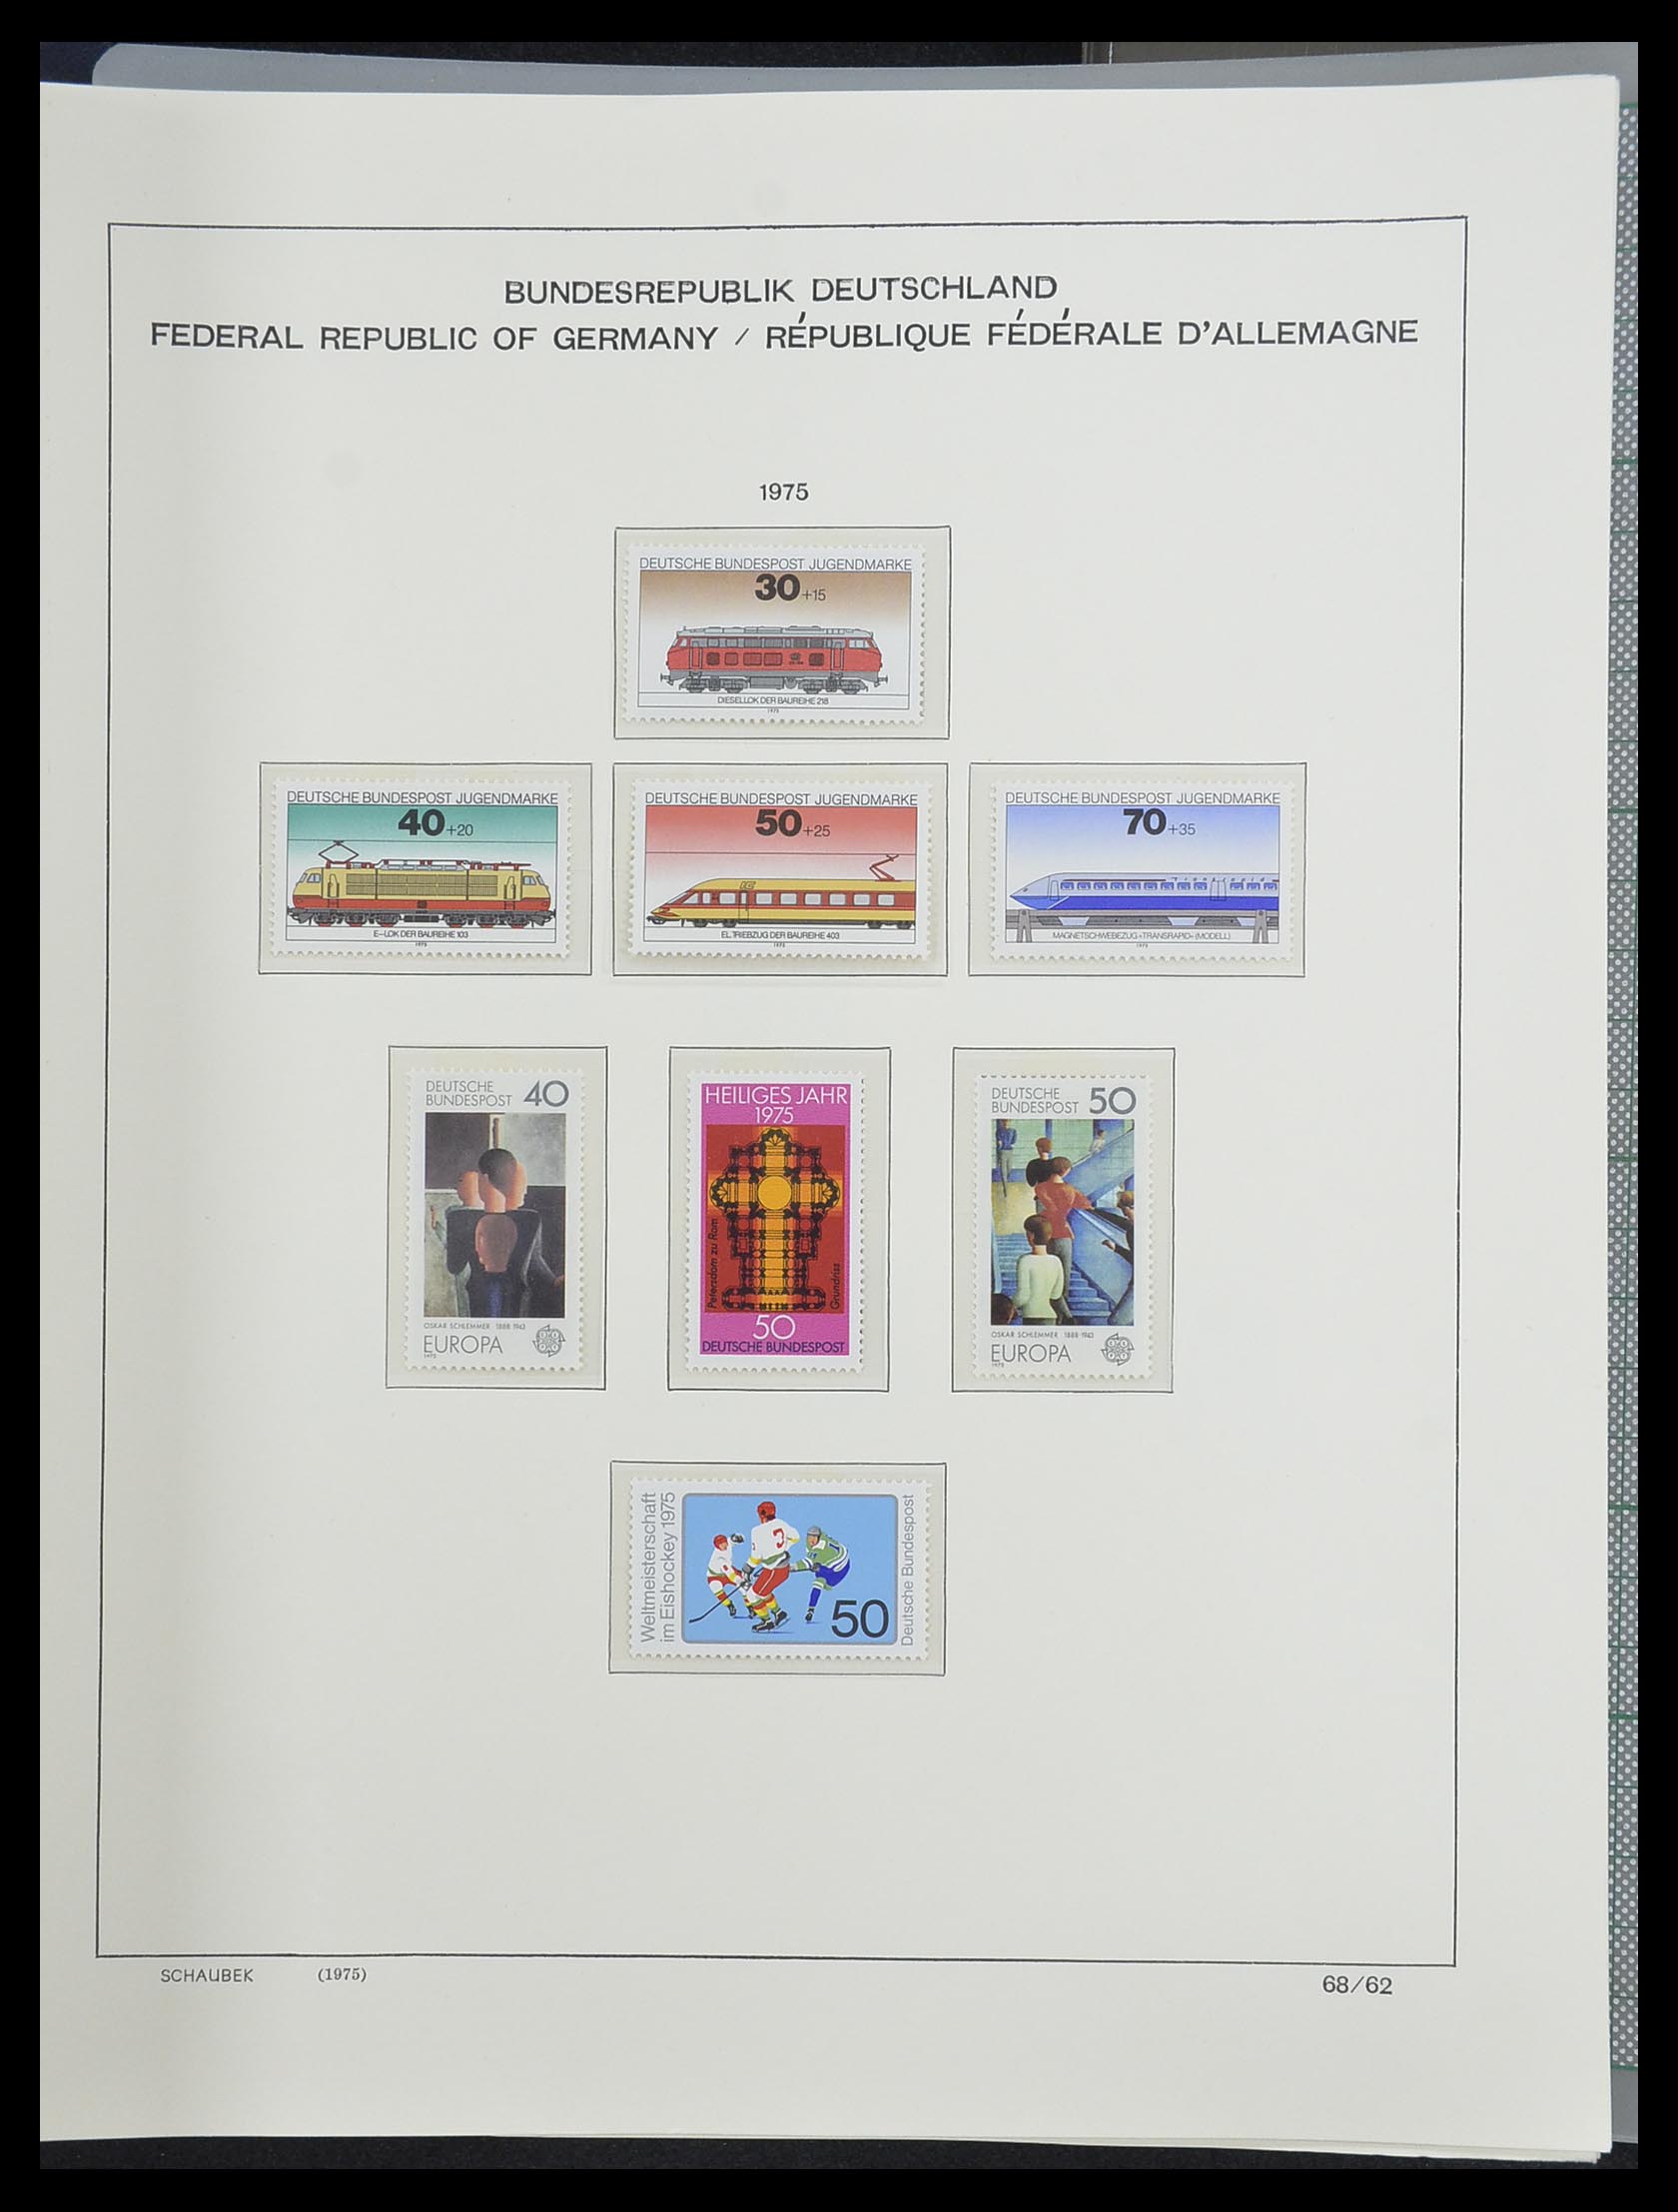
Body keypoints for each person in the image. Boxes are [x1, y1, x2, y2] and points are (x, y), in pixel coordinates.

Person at [1033, 1157, 1092, 1311]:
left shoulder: (1041, 1188)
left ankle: (1049, 1309)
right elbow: (1086, 1205)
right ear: (1065, 1171)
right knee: (1064, 1277)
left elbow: (1050, 1209)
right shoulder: (1070, 1190)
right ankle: (1062, 1314)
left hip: (1046, 1235)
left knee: (1047, 1274)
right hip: (1065, 1235)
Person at [744, 1499, 800, 1633]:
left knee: (752, 1595)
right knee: (764, 1592)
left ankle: (767, 1622)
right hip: (782, 1568)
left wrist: (747, 1569)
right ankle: (779, 1613)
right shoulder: (780, 1523)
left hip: (774, 1570)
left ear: (761, 1514)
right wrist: (783, 1549)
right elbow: (796, 1537)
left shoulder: (757, 1531)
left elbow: (756, 1557)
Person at [1013, 1215, 1068, 1325]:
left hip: (1031, 1316)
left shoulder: (1025, 1260)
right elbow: (1056, 1295)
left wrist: (1010, 1306)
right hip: (1050, 1316)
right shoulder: (1056, 1261)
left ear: (1031, 1236)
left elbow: (1023, 1296)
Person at [790, 1524, 850, 1623]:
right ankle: (811, 1610)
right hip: (829, 1562)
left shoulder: (822, 1549)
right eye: (810, 1537)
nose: (811, 1540)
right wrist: (792, 1567)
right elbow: (809, 1560)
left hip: (838, 1569)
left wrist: (792, 1567)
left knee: (820, 1579)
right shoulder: (813, 1543)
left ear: (818, 1537)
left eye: (814, 1537)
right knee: (818, 1582)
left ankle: (811, 1609)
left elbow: (810, 1562)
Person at [705, 1533, 747, 1620]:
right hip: (715, 1576)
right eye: (721, 1545)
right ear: (717, 1546)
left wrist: (738, 1538)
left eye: (724, 1543)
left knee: (745, 1588)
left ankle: (750, 1607)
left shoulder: (728, 1544)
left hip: (728, 1571)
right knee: (716, 1588)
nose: (724, 1545)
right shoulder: (719, 1558)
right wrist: (738, 1580)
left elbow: (732, 1540)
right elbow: (729, 1573)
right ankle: (729, 1606)